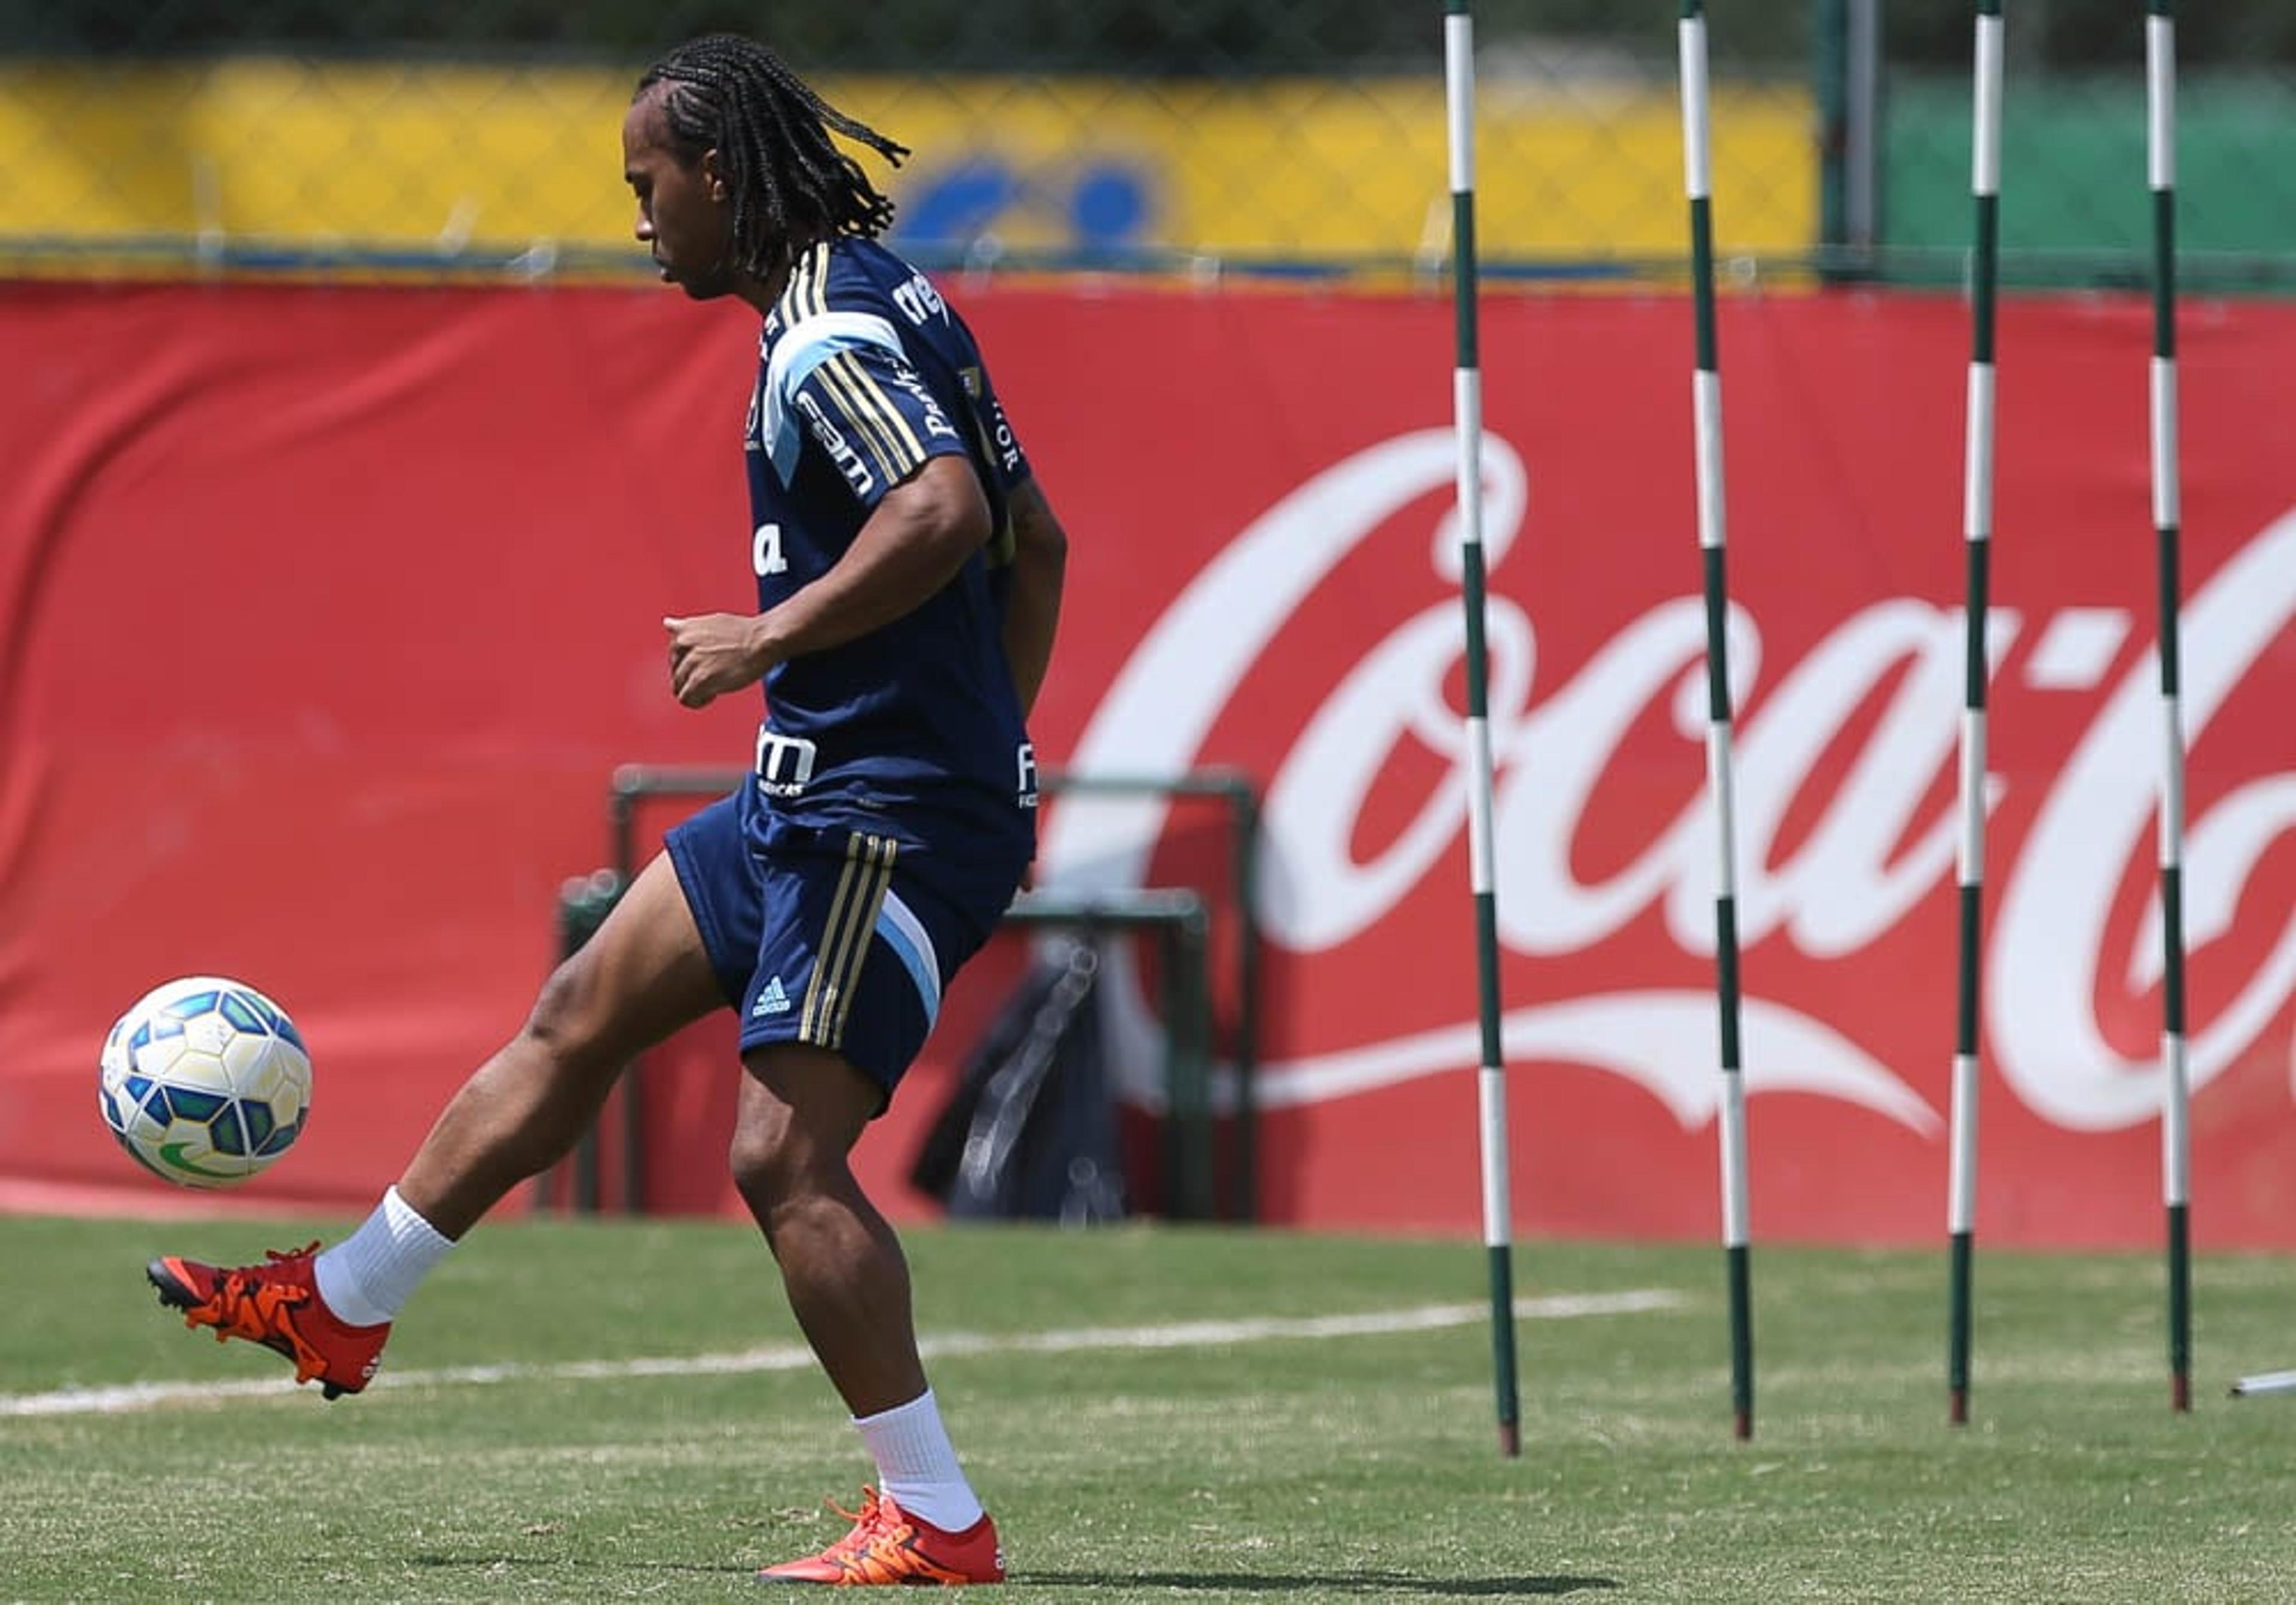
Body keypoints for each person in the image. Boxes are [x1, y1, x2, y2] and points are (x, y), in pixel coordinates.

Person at [145, 33, 1067, 1588]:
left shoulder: (823, 336)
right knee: (580, 1010)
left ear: (718, 174)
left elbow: (951, 514)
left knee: (781, 1159)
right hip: (814, 795)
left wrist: (784, 650)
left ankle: (938, 1515)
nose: (638, 217)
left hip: (877, 817)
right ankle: (345, 1302)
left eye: (647, 185)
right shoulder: (877, 290)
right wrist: (1000, 738)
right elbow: (1036, 543)